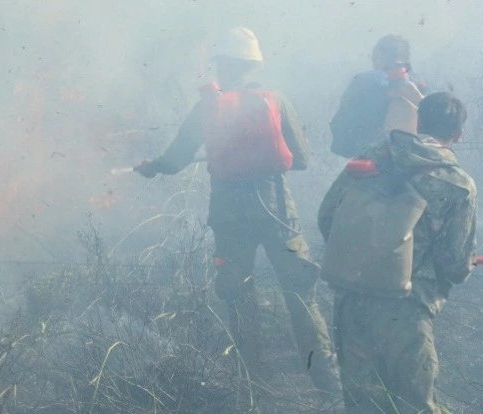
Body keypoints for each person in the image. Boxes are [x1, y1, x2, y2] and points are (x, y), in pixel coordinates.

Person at [135, 27, 338, 393]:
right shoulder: (276, 100)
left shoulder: (206, 107)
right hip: (278, 211)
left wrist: (153, 166)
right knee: (300, 294)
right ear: (253, 64)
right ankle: (326, 381)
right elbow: (303, 160)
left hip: (229, 216)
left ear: (222, 65)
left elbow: (176, 158)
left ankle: (251, 383)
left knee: (238, 295)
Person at [318, 92, 476, 414]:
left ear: (418, 122)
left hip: (352, 299)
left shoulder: (373, 156)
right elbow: (455, 266)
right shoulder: (457, 183)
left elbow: (327, 217)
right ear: (458, 134)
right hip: (407, 311)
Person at [330, 34, 426, 159]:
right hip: (414, 158)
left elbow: (343, 124)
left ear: (378, 56)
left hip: (373, 158)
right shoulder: (421, 85)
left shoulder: (364, 81)